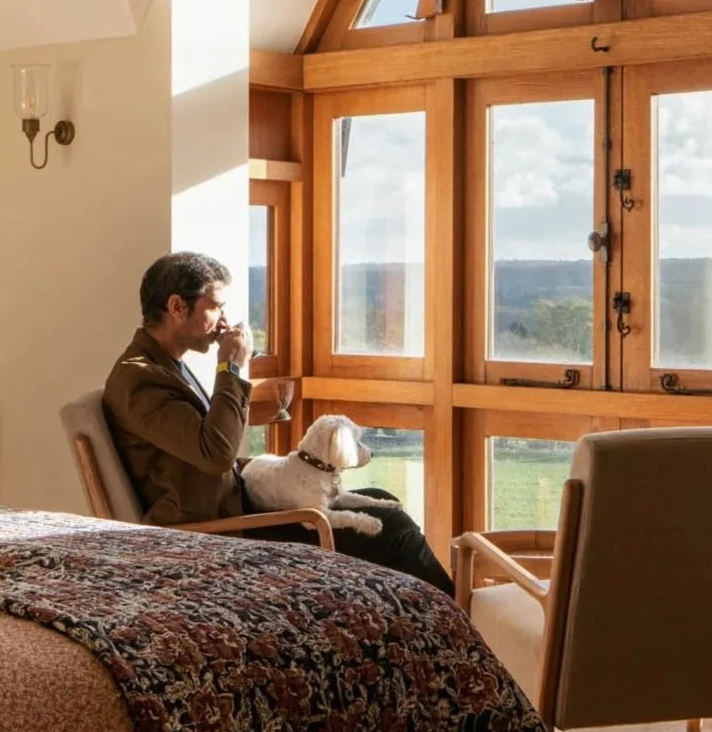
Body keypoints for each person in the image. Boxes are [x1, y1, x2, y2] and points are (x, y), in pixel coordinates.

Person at [103, 250, 455, 594]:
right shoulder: (140, 379)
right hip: (217, 531)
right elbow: (215, 453)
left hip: (237, 504)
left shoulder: (165, 367)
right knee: (391, 527)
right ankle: (459, 619)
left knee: (380, 499)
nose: (224, 320)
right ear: (177, 307)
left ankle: (418, 619)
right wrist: (230, 367)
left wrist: (282, 471)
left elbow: (203, 446)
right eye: (216, 307)